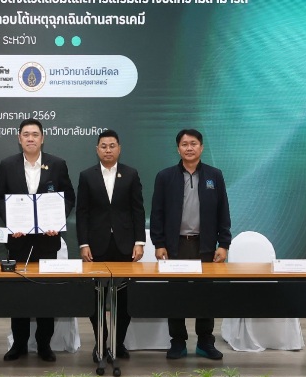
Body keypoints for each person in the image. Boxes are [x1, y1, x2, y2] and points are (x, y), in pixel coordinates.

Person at [0, 118, 75, 362]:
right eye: (26, 134)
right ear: (19, 138)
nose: (30, 138)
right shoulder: (7, 164)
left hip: (47, 241)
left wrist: (56, 221)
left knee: (44, 295)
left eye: (35, 134)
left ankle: (44, 345)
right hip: (18, 241)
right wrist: (12, 222)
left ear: (42, 138)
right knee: (19, 295)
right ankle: (19, 344)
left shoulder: (57, 164)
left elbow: (69, 197)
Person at [149, 128, 232, 360]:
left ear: (201, 147)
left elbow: (223, 211)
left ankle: (205, 341)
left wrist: (224, 244)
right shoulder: (165, 176)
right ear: (178, 149)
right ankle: (178, 342)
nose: (189, 148)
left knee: (205, 294)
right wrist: (159, 243)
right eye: (184, 144)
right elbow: (157, 213)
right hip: (175, 246)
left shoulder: (214, 175)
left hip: (205, 245)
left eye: (193, 144)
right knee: (176, 294)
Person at [77, 129, 145, 362]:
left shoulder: (131, 174)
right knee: (96, 298)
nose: (108, 150)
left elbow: (138, 210)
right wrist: (83, 243)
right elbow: (82, 213)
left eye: (112, 146)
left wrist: (139, 242)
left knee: (125, 299)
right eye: (104, 146)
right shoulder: (87, 175)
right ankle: (101, 341)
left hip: (125, 246)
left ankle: (118, 343)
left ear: (119, 148)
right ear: (97, 149)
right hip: (96, 247)